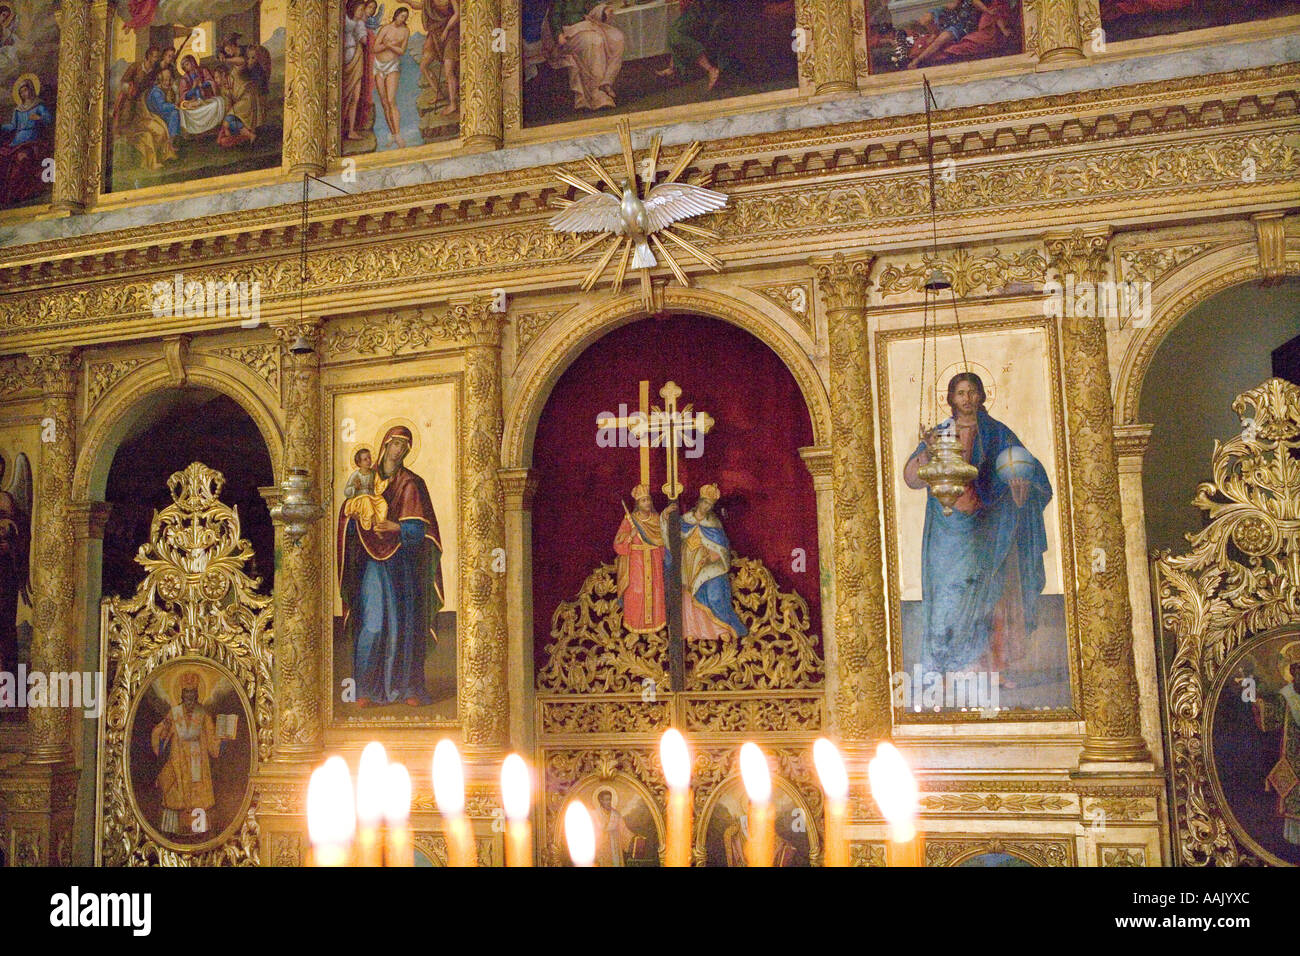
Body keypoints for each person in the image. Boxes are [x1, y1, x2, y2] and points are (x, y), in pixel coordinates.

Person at [903, 371, 1052, 684]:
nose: (967, 398)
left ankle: (989, 670)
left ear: (982, 395)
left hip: (986, 527)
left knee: (988, 594)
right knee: (949, 597)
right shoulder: (940, 433)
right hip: (947, 531)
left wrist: (1019, 483)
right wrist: (927, 452)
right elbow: (912, 478)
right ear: (951, 398)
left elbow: (1027, 467)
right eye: (960, 392)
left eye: (972, 392)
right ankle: (944, 670)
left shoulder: (998, 434)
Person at [337, 425, 443, 707]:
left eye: (403, 447)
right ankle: (365, 689)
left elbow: (423, 531)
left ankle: (407, 687)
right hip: (372, 561)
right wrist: (356, 517)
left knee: (401, 625)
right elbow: (348, 514)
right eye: (395, 444)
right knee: (372, 623)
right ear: (384, 445)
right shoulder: (365, 479)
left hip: (402, 565)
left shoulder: (410, 483)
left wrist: (395, 526)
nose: (398, 450)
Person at [663, 484, 748, 642]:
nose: (706, 506)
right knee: (687, 597)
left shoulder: (714, 524)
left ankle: (718, 629)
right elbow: (671, 537)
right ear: (699, 502)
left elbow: (721, 548)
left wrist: (712, 556)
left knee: (711, 596)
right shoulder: (685, 519)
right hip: (687, 562)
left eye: (710, 504)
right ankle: (690, 630)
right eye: (705, 502)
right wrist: (665, 518)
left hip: (706, 567)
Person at [150, 671, 224, 836]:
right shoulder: (174, 713)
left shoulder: (203, 715)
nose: (189, 698)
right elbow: (161, 733)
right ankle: (172, 832)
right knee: (175, 797)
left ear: (197, 695)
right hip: (179, 763)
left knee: (199, 798)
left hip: (199, 767)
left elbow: (213, 742)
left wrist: (222, 737)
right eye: (186, 694)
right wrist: (163, 733)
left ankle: (201, 832)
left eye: (192, 694)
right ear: (182, 695)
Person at [1254, 657, 1300, 846]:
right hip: (1292, 757)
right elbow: (1270, 717)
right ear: (1292, 675)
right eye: (1298, 674)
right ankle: (1294, 840)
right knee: (1293, 794)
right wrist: (1257, 702)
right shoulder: (1285, 696)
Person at [546, 0, 624, 110]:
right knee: (594, 41)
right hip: (569, 33)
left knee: (617, 37)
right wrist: (558, 34)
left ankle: (606, 82)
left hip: (585, 27)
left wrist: (604, 10)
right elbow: (554, 15)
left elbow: (591, 5)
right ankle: (597, 95)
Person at [613, 484, 667, 633]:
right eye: (643, 500)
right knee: (637, 592)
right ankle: (635, 626)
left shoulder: (656, 519)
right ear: (638, 503)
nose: (647, 503)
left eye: (648, 500)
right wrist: (630, 536)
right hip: (636, 563)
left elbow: (663, 541)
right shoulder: (630, 519)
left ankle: (657, 626)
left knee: (656, 591)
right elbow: (618, 544)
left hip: (654, 559)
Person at [657, 0, 730, 90]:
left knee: (676, 34)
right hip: (695, 10)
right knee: (675, 32)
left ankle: (711, 69)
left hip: (705, 11)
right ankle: (673, 67)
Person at [0, 452, 29, 676]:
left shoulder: (6, 499)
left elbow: (16, 533)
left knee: (5, 626)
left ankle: (7, 682)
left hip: (4, 571)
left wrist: (8, 531)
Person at [372, 6, 412, 148]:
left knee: (391, 100)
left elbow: (401, 51)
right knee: (384, 102)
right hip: (378, 66)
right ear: (396, 15)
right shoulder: (385, 29)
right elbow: (375, 48)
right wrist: (388, 45)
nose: (403, 19)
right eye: (402, 16)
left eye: (406, 17)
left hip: (392, 65)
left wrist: (390, 46)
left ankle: (398, 134)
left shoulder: (405, 31)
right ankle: (393, 133)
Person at [420, 0, 460, 115]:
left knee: (448, 71)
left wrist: (446, 30)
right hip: (436, 33)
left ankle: (452, 104)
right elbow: (419, 5)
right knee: (424, 66)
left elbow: (457, 14)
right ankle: (438, 93)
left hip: (452, 32)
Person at [341, 0, 371, 141]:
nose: (361, 13)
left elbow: (364, 41)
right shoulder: (343, 19)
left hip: (356, 58)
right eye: (360, 10)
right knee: (343, 97)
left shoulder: (359, 23)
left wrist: (364, 28)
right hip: (343, 62)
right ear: (353, 9)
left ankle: (351, 130)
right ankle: (340, 128)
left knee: (355, 97)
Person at [341, 447, 389, 531]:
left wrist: (386, 481)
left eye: (369, 458)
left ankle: (380, 524)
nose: (368, 461)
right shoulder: (355, 475)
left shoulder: (373, 473)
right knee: (366, 501)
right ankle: (375, 527)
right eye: (365, 459)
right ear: (359, 463)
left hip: (372, 497)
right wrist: (354, 487)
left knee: (382, 503)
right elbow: (346, 491)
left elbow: (378, 486)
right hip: (359, 499)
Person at [591, 787, 636, 866]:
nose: (609, 802)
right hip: (600, 849)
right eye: (606, 800)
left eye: (610, 799)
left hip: (614, 848)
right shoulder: (594, 814)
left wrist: (634, 837)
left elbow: (624, 830)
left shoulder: (616, 814)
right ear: (600, 801)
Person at [145, 67, 182, 142]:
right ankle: (171, 140)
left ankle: (176, 138)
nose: (168, 83)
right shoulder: (156, 92)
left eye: (169, 80)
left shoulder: (166, 90)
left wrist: (177, 93)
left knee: (176, 113)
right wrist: (174, 106)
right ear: (160, 80)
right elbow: (162, 107)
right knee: (174, 113)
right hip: (155, 116)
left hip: (162, 114)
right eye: (165, 80)